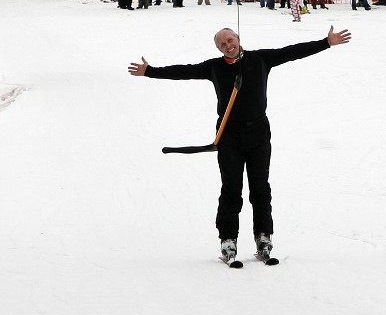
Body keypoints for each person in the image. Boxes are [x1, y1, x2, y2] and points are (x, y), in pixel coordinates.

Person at [127, 25, 352, 265]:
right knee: (231, 189)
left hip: (258, 133)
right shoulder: (214, 67)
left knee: (260, 188)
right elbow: (184, 71)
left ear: (238, 38)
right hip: (229, 135)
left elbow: (292, 52)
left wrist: (326, 42)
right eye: (222, 44)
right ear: (218, 48)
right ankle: (228, 240)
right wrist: (150, 71)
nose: (228, 46)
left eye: (230, 40)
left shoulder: (260, 59)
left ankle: (263, 237)